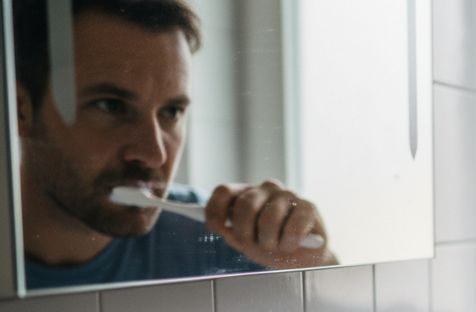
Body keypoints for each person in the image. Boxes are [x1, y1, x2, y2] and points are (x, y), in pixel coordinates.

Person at [14, 0, 334, 290]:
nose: (155, 153)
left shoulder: (220, 240)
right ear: (20, 109)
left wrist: (315, 266)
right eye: (111, 106)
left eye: (171, 112)